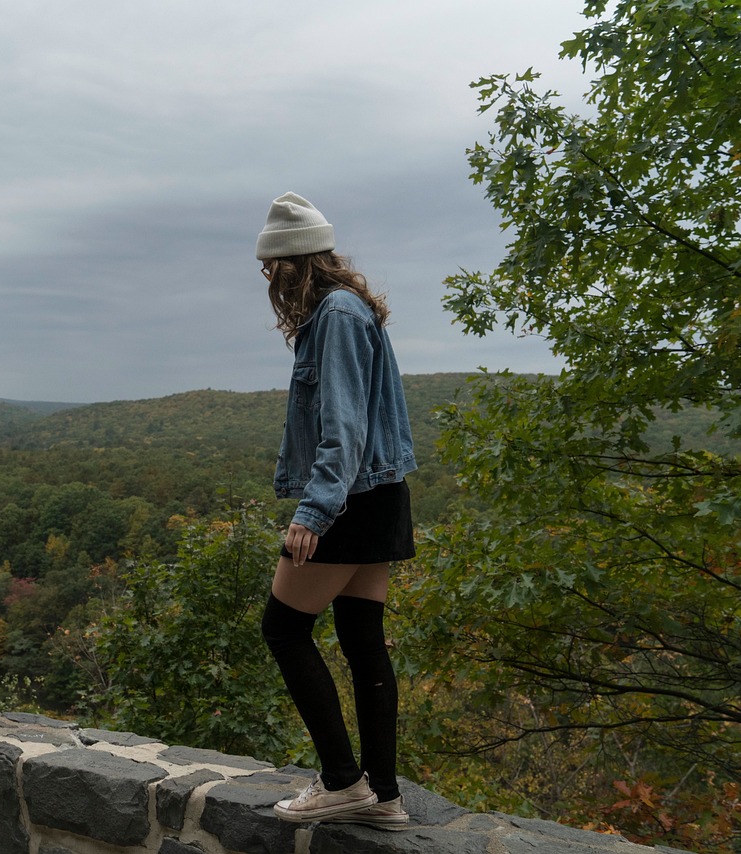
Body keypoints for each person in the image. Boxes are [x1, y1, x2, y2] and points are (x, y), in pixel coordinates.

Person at [256, 192, 416, 828]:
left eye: (273, 270)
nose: (270, 282)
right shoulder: (349, 310)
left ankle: (344, 782)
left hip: (348, 499)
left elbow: (343, 429)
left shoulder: (337, 316)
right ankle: (384, 796)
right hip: (377, 497)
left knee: (284, 630)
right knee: (360, 640)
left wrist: (312, 514)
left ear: (294, 267)